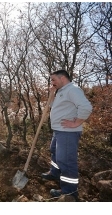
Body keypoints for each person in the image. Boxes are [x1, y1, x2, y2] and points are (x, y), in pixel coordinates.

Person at [41, 69, 92, 201]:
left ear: (62, 78)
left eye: (53, 80)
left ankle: (70, 192)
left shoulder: (73, 90)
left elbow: (86, 107)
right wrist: (51, 94)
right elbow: (53, 106)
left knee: (67, 161)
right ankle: (55, 173)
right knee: (55, 152)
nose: (52, 82)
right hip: (59, 130)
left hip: (68, 133)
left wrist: (77, 123)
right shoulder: (62, 91)